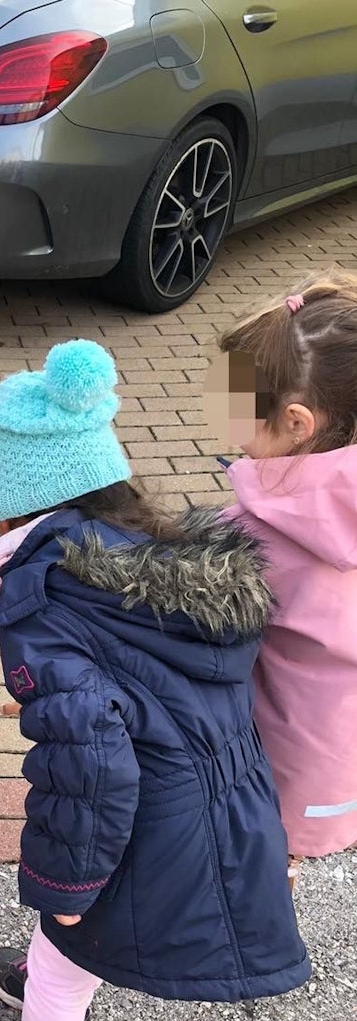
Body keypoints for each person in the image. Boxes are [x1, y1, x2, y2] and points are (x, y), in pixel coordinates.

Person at [0, 338, 310, 1021]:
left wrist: (66, 881)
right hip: (209, 806)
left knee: (65, 940)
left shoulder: (50, 603)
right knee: (74, 946)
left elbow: (88, 765)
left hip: (138, 828)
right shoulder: (146, 565)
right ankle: (60, 982)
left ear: (13, 502)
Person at [209, 271, 357, 885]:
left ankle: (54, 979)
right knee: (269, 857)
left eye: (239, 406)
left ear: (298, 423)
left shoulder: (255, 531)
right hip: (335, 765)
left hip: (261, 761)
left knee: (154, 874)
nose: (229, 424)